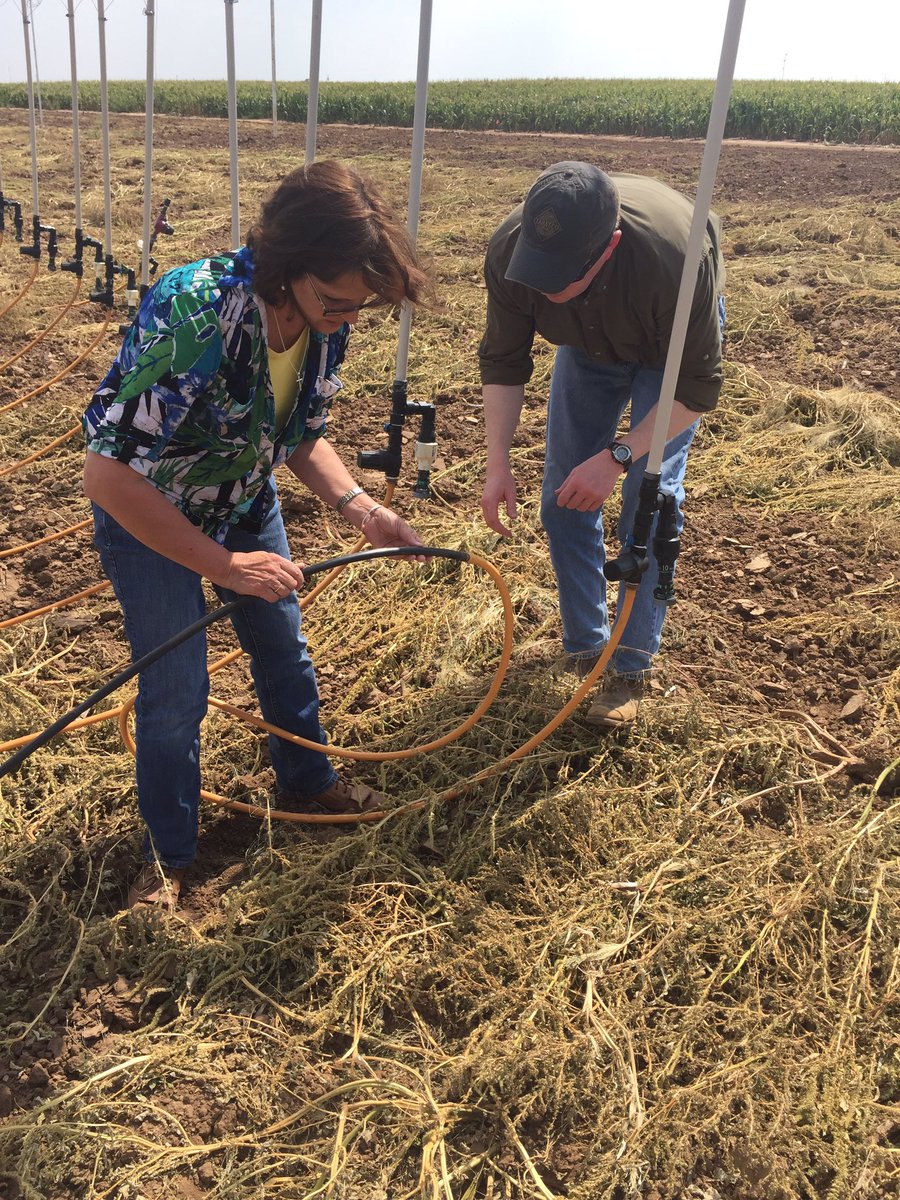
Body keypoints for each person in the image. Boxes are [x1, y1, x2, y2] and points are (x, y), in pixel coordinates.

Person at [83, 160, 431, 909]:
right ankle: (168, 860)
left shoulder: (321, 323)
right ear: (288, 265)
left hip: (242, 495)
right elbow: (108, 475)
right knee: (177, 689)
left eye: (360, 306)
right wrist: (225, 565)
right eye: (336, 300)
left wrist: (360, 509)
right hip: (152, 511)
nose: (348, 317)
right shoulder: (196, 313)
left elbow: (298, 435)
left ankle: (307, 782)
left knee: (283, 646)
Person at [478, 161, 725, 729]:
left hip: (668, 351)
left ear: (607, 248)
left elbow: (696, 390)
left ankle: (630, 667)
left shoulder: (675, 264)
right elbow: (504, 361)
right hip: (586, 347)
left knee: (649, 502)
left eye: (558, 277)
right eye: (537, 273)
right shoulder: (512, 253)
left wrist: (618, 457)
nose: (544, 289)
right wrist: (497, 462)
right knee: (562, 496)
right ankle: (587, 647)